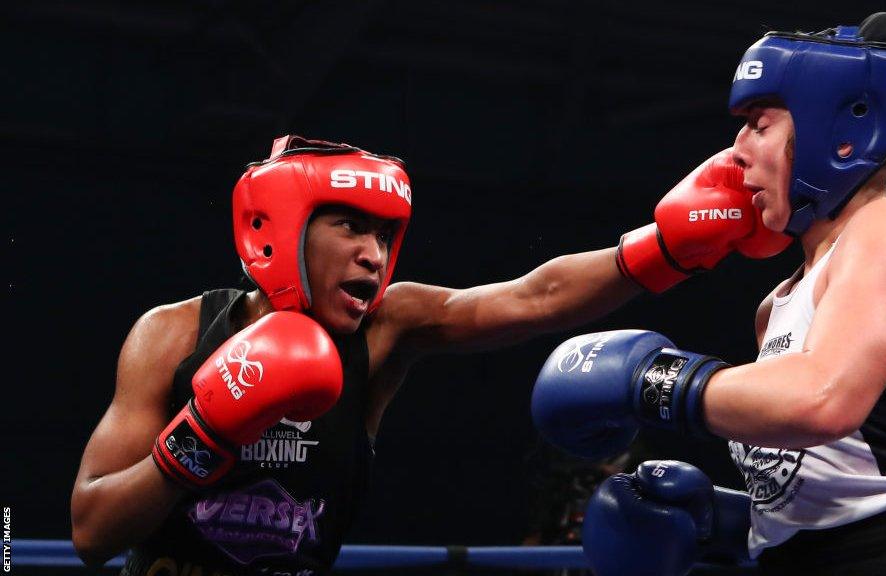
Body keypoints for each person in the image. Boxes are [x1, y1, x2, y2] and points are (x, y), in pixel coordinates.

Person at [69, 135, 788, 576]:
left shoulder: (388, 330)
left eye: (385, 235)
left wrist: (660, 251)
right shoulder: (173, 335)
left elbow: (529, 299)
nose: (372, 254)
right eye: (350, 226)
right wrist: (204, 434)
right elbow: (92, 533)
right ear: (279, 229)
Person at [531, 12, 886, 576]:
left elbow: (821, 399)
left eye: (759, 124)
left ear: (840, 130)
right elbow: (821, 486)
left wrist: (651, 382)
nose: (736, 151)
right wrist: (717, 523)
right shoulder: (775, 307)